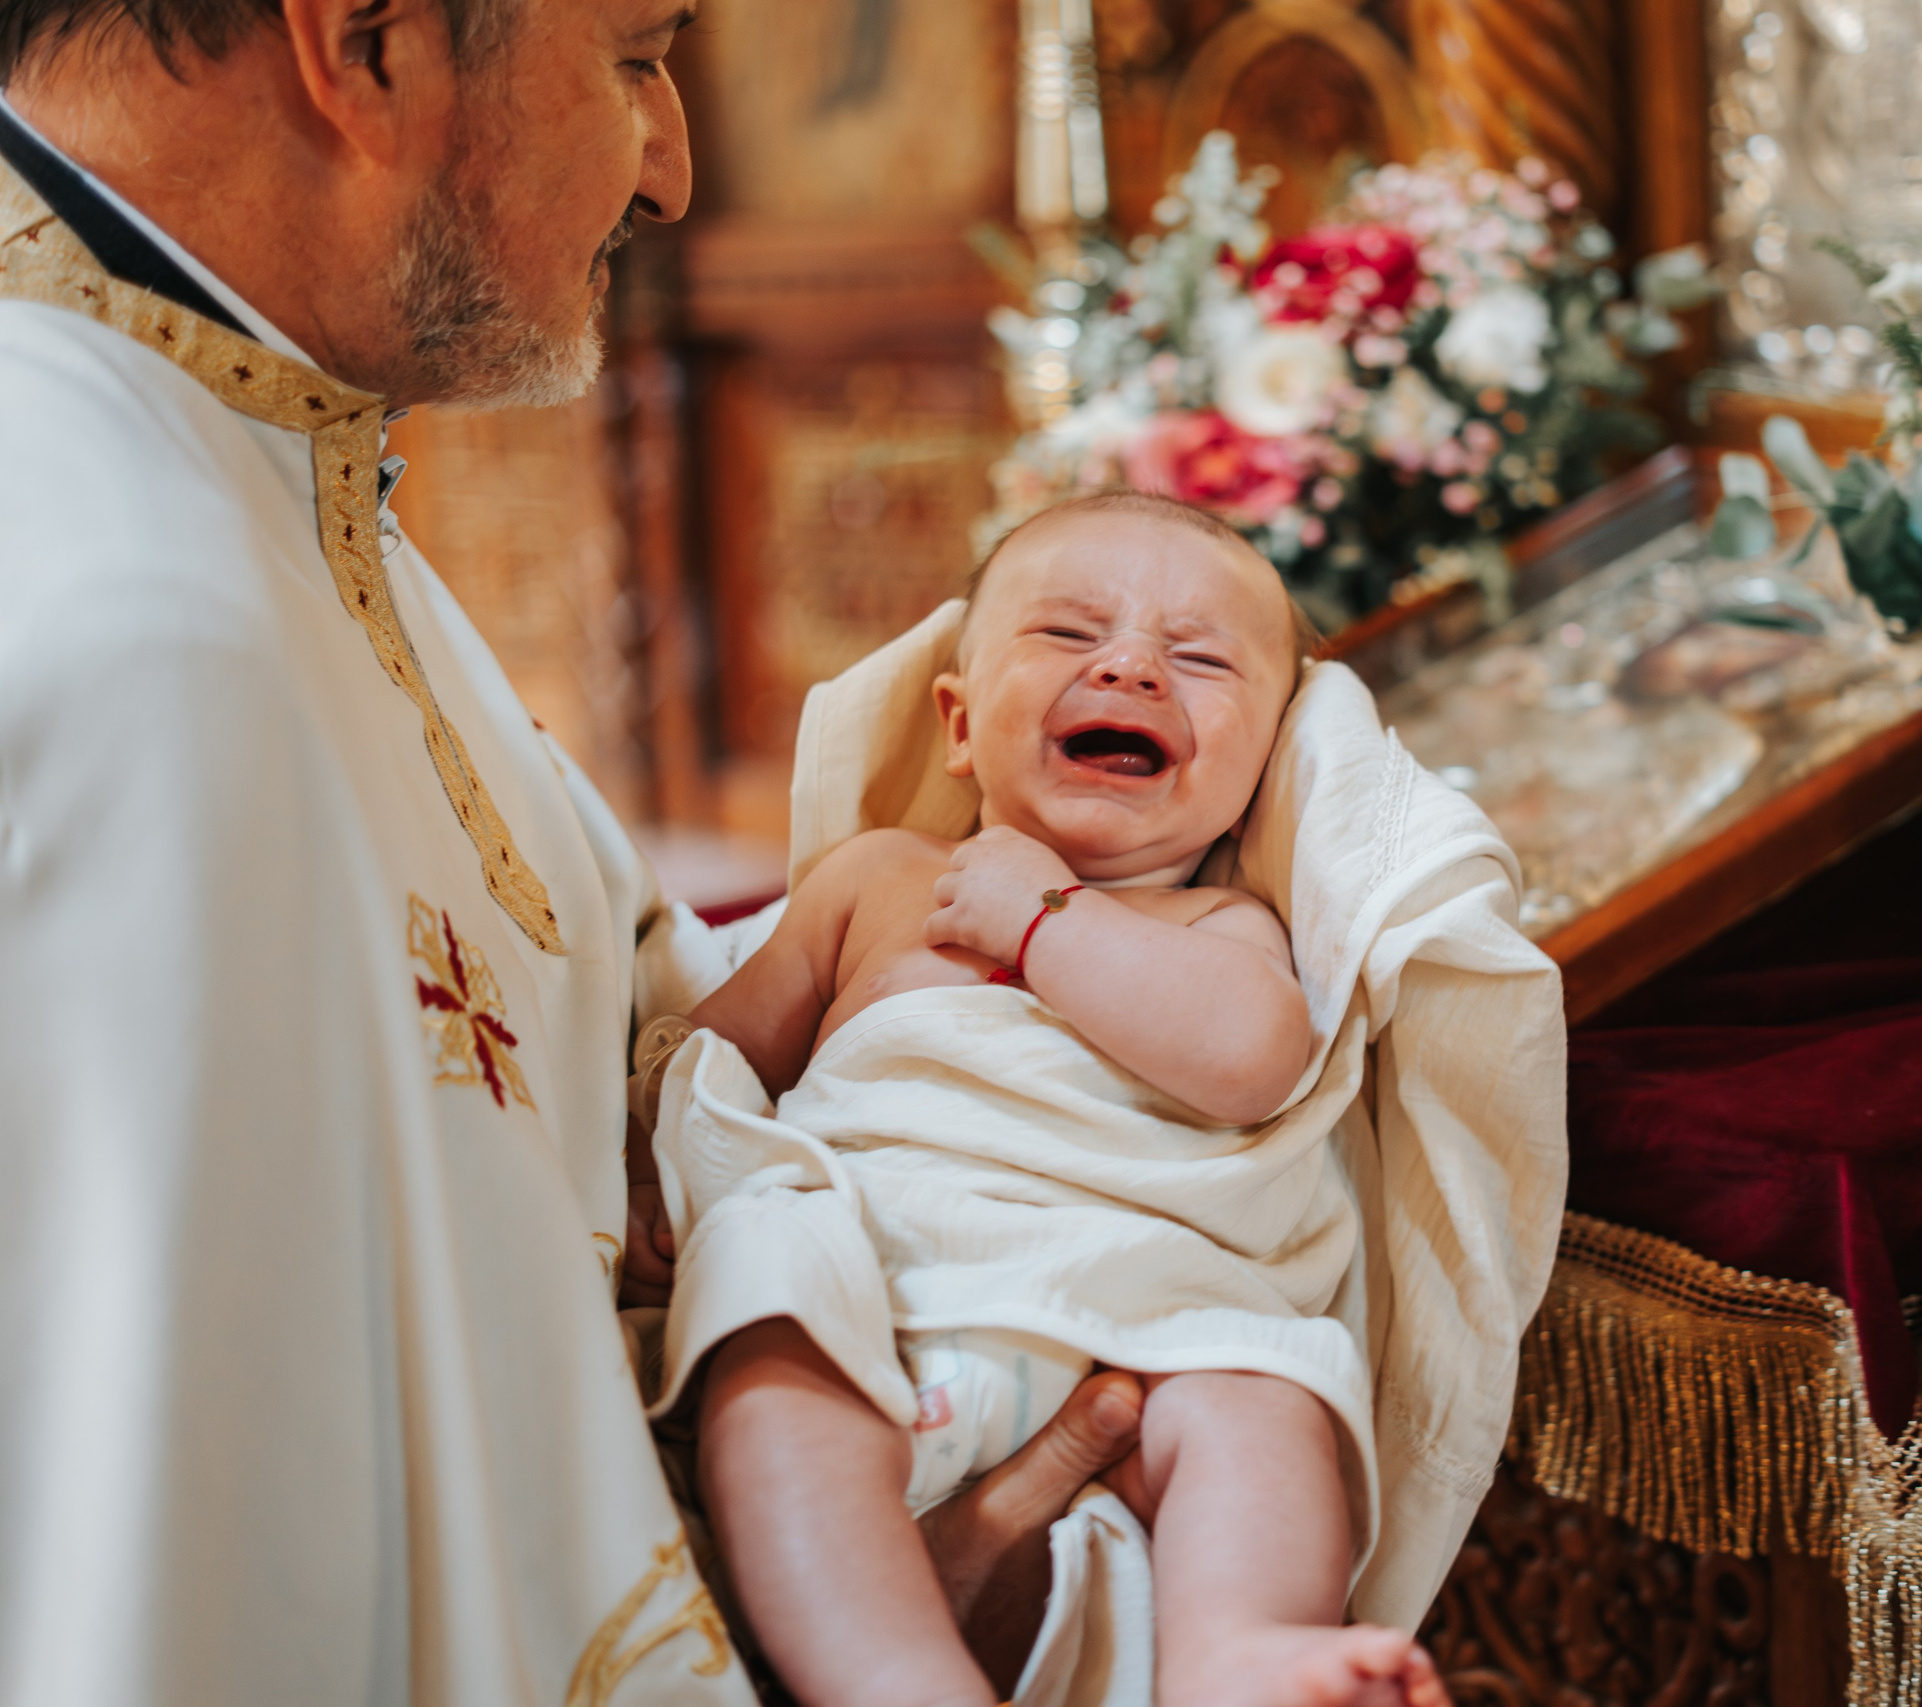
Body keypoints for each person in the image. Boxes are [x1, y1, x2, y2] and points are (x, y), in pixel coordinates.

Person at [0, 4, 1136, 1702]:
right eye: (635, 56)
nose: (671, 171)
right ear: (368, 43)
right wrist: (847, 1607)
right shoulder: (136, 631)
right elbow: (159, 1594)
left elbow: (554, 1027)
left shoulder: (243, 442)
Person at [630, 493, 1450, 1707]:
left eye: (1201, 657)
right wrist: (649, 1169)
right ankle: (888, 1675)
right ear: (959, 726)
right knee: (764, 1319)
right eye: (1070, 636)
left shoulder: (1223, 925)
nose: (1129, 664)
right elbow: (720, 1059)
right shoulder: (877, 881)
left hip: (1138, 1316)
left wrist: (1043, 924)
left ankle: (1239, 1645)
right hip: (874, 1289)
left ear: (1261, 768)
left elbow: (1250, 1061)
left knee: (1265, 1389)